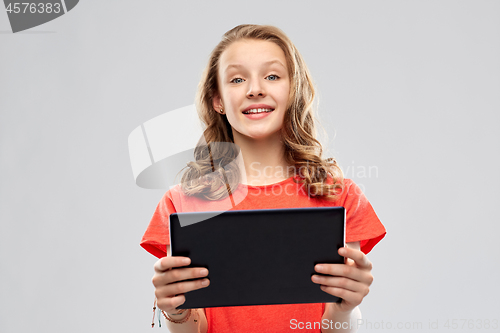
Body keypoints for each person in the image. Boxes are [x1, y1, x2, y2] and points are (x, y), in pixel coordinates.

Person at [140, 24, 386, 333]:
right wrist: (174, 312)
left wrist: (346, 308)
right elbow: (194, 328)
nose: (255, 89)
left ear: (292, 90)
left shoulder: (340, 196)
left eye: (271, 76)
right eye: (237, 79)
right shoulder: (181, 202)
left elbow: (335, 327)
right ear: (217, 100)